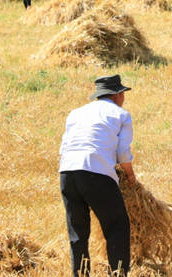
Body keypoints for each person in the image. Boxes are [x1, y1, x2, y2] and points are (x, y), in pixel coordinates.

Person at [59, 75, 135, 277]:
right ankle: (118, 274)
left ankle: (80, 274)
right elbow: (123, 154)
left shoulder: (75, 113)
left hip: (67, 172)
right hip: (96, 172)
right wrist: (131, 177)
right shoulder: (121, 115)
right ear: (118, 95)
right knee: (117, 226)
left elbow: (64, 146)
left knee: (78, 233)